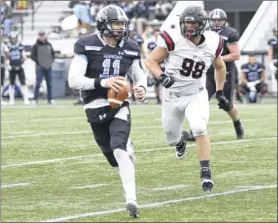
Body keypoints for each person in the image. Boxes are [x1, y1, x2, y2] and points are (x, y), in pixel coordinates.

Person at [68, 4, 147, 218]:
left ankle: (131, 199)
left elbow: (139, 75)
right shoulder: (87, 44)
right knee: (113, 158)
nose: (121, 28)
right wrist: (104, 82)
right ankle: (126, 149)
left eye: (122, 24)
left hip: (119, 105)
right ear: (104, 25)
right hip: (94, 106)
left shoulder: (130, 47)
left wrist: (141, 88)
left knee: (119, 149)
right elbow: (74, 80)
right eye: (116, 24)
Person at [145, 5, 229, 192]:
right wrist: (161, 76)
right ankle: (181, 139)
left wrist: (220, 91)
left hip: (196, 94)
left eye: (193, 23)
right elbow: (151, 61)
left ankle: (205, 172)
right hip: (172, 96)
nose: (189, 26)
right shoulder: (172, 39)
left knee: (199, 127)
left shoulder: (214, 42)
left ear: (201, 25)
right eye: (186, 22)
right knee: (171, 139)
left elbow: (220, 67)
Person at [187, 8, 244, 141]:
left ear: (224, 21)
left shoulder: (230, 33)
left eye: (219, 20)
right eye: (214, 20)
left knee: (226, 104)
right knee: (201, 100)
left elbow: (235, 55)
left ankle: (237, 123)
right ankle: (195, 131)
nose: (216, 22)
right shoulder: (204, 32)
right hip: (209, 71)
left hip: (225, 71)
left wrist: (215, 58)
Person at [31, 30, 55, 105]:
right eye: (40, 35)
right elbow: (32, 56)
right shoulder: (35, 45)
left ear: (45, 35)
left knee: (49, 83)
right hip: (39, 68)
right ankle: (35, 99)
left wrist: (50, 62)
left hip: (48, 67)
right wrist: (39, 62)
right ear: (38, 36)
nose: (41, 37)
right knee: (38, 83)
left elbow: (53, 54)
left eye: (43, 35)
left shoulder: (49, 45)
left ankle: (50, 99)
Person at [7, 32, 30, 105]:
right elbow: (6, 56)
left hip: (19, 65)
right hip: (11, 66)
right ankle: (11, 100)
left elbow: (23, 55)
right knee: (11, 84)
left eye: (14, 38)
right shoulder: (7, 46)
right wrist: (7, 63)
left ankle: (26, 99)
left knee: (23, 83)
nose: (13, 40)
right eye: (12, 38)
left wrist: (24, 63)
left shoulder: (20, 45)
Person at [147, 29, 162, 104]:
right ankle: (158, 98)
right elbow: (149, 56)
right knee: (156, 84)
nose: (157, 36)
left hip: (164, 65)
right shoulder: (151, 44)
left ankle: (165, 98)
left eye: (159, 34)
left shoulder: (164, 43)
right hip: (155, 65)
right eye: (156, 34)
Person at [1, 41, 9, 105]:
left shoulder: (3, 44)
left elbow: (7, 53)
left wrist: (6, 61)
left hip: (1, 65)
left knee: (1, 83)